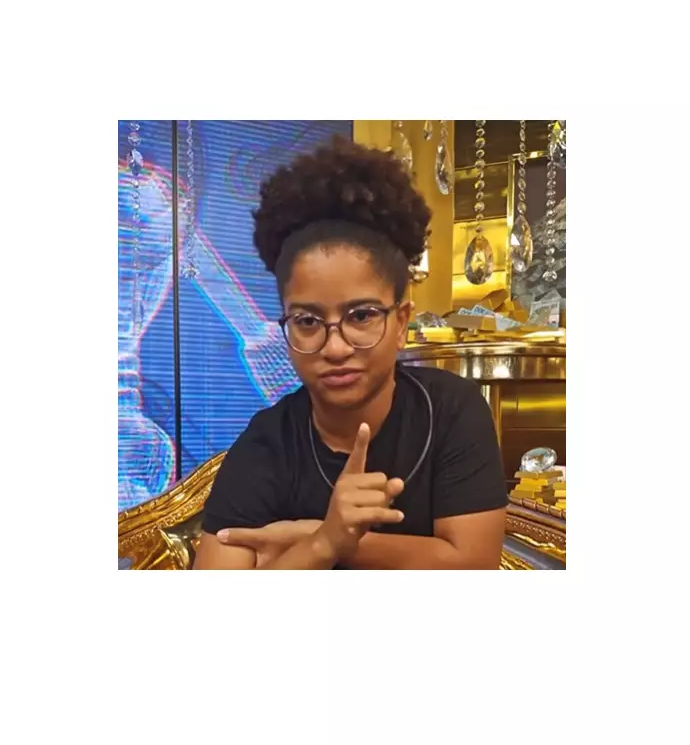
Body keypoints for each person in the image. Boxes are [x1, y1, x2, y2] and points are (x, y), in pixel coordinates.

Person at [193, 137, 507, 570]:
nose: (335, 348)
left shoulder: (451, 413)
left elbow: (475, 565)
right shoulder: (267, 445)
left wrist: (331, 542)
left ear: (401, 323)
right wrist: (324, 542)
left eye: (361, 316)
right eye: (307, 321)